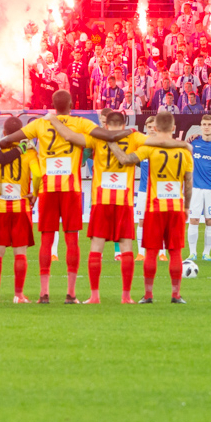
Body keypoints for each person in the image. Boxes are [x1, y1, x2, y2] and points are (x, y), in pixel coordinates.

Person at [3, 90, 95, 303]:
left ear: (52, 104)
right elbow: (94, 141)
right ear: (71, 103)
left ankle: (44, 293)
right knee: (72, 239)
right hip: (71, 188)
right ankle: (71, 294)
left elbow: (10, 139)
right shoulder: (79, 123)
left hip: (46, 188)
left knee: (47, 238)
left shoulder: (39, 124)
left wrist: (25, 146)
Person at [116, 111, 194, 303]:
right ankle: (175, 295)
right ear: (174, 128)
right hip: (176, 207)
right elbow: (189, 183)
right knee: (175, 251)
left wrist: (111, 145)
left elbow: (126, 160)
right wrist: (186, 206)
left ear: (156, 128)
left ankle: (148, 295)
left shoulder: (149, 148)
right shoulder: (185, 151)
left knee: (151, 251)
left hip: (154, 207)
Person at [81, 110, 146, 304]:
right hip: (124, 200)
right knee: (126, 246)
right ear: (124, 124)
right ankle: (126, 296)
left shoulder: (96, 137)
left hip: (101, 200)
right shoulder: (134, 136)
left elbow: (76, 143)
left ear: (106, 124)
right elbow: (154, 142)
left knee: (96, 246)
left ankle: (94, 296)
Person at [0, 117, 37, 303]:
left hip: (0, 207)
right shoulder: (29, 153)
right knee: (20, 253)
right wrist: (34, 192)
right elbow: (37, 174)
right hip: (21, 206)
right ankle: (18, 295)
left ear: (4, 133)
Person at [184, 114, 211, 263]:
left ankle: (206, 253)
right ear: (201, 126)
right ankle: (192, 253)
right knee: (194, 220)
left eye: (209, 124)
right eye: (204, 124)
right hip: (195, 188)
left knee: (210, 221)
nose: (206, 127)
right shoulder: (193, 143)